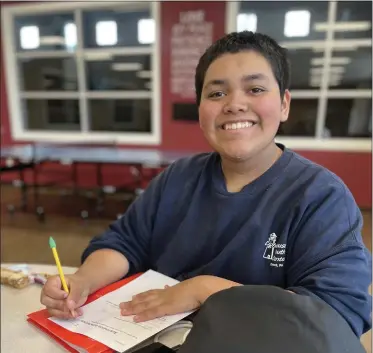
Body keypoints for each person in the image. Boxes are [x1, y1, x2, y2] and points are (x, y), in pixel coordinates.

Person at [40, 31, 372, 338]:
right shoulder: (178, 177)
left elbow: (337, 314)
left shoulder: (320, 196)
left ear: (284, 104)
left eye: (255, 89)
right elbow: (126, 242)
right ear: (200, 109)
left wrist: (205, 291)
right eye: (216, 93)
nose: (234, 104)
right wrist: (82, 280)